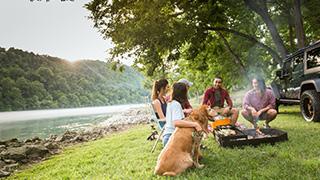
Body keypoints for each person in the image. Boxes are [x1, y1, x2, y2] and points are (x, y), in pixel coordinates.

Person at [162, 82, 202, 146]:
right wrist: (195, 124)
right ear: (183, 93)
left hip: (168, 137)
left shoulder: (171, 103)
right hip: (171, 137)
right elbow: (176, 122)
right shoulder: (176, 104)